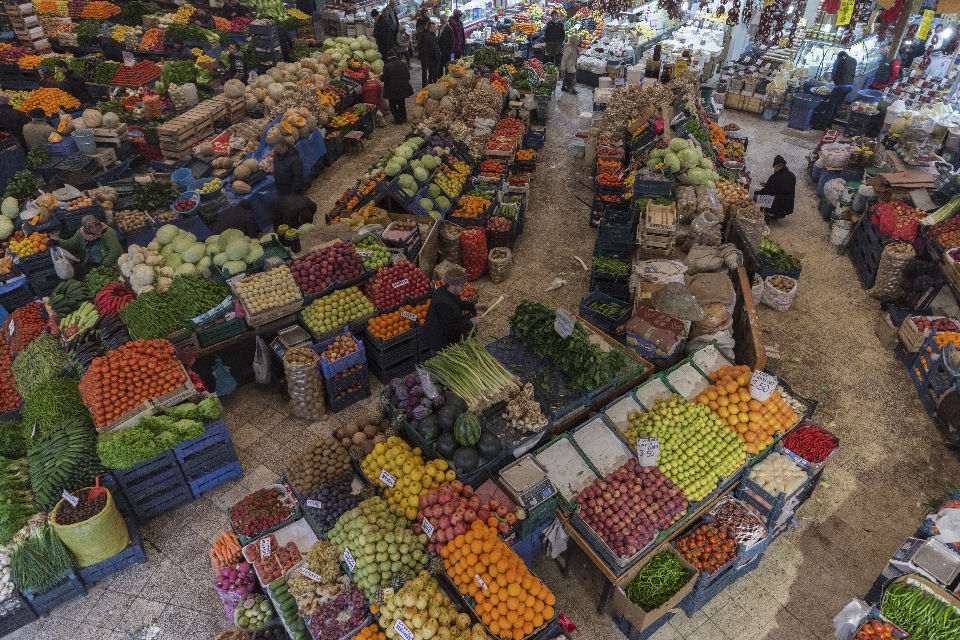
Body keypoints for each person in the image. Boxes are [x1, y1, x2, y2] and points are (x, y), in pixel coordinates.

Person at [421, 266, 487, 354]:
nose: (463, 288)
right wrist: (471, 322)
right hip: (440, 343)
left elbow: (458, 303)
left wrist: (476, 306)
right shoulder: (443, 305)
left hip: (445, 337)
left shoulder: (445, 290)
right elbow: (452, 329)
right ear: (452, 286)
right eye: (461, 286)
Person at [51, 215, 122, 278]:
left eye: (96, 225)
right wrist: (57, 242)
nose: (95, 228)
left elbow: (115, 250)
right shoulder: (81, 233)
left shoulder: (107, 232)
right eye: (91, 227)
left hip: (107, 262)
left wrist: (104, 265)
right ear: (86, 228)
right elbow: (71, 244)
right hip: (90, 261)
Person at [754, 155, 796, 221]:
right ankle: (776, 215)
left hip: (777, 206)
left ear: (776, 166)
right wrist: (768, 184)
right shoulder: (792, 175)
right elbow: (781, 187)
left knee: (756, 197)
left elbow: (766, 192)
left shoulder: (775, 177)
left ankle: (766, 215)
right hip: (787, 207)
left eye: (774, 167)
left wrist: (756, 192)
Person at [823, 51, 856, 127]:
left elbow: (834, 72)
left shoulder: (839, 60)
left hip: (840, 86)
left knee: (831, 105)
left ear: (839, 56)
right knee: (837, 105)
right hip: (850, 86)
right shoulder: (854, 60)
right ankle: (830, 123)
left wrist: (831, 79)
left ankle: (823, 125)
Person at [381, 50, 412, 124]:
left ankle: (397, 119)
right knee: (402, 103)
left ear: (388, 58)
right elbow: (408, 76)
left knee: (392, 104)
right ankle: (404, 117)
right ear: (395, 56)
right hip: (402, 87)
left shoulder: (387, 66)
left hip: (392, 89)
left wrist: (380, 77)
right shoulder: (403, 64)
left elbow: (384, 79)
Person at [420, 20, 441, 85]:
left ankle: (429, 87)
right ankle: (433, 88)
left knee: (430, 74)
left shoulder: (427, 36)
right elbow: (433, 49)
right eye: (433, 27)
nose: (435, 28)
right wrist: (438, 57)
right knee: (434, 75)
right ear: (429, 28)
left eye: (435, 27)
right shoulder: (431, 37)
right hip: (433, 59)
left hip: (429, 59)